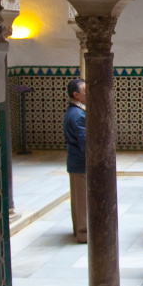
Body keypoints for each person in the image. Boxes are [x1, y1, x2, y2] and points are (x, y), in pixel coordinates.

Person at [63, 78, 88, 244]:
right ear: (76, 94)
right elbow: (85, 141)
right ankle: (83, 233)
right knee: (81, 199)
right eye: (86, 91)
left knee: (80, 198)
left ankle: (80, 229)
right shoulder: (78, 115)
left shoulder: (76, 111)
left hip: (77, 161)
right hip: (80, 162)